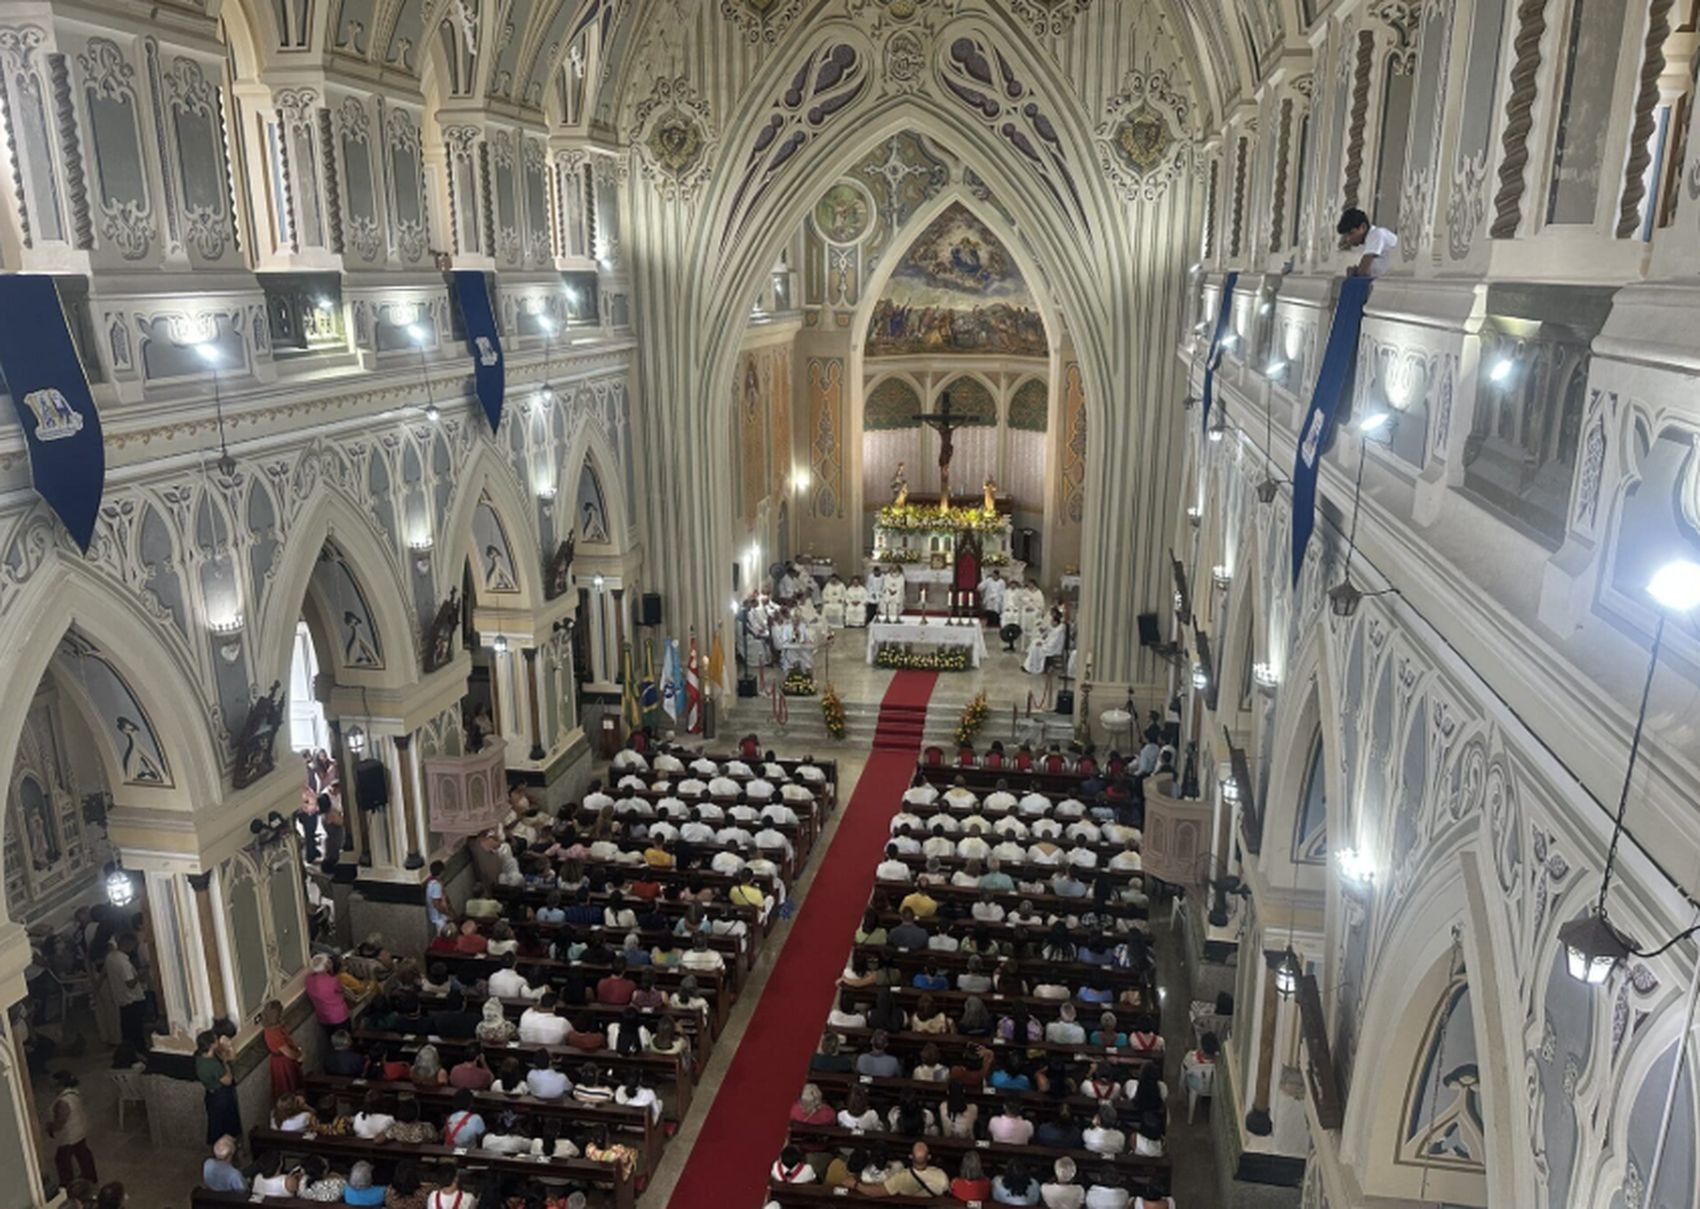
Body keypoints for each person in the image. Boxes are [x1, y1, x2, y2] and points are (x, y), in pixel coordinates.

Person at [46, 1070, 96, 1186]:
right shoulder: (74, 1093)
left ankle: (67, 1183)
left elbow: (60, 1122)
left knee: (62, 1159)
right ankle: (90, 1176)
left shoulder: (62, 1102)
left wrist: (50, 1127)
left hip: (69, 1135)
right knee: (82, 1153)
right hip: (80, 1129)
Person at [195, 1029, 241, 1146]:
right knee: (227, 1123)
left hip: (211, 1095)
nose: (218, 1040)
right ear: (211, 1045)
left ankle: (219, 1147)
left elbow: (227, 1056)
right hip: (221, 1096)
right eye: (215, 1040)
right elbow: (228, 1080)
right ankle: (228, 1147)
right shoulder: (212, 1065)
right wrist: (226, 1065)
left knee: (216, 1122)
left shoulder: (200, 1057)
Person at [858, 1141, 951, 1196]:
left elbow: (878, 1191)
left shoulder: (900, 1178)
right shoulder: (941, 1175)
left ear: (910, 1156)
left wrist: (856, 1185)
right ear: (929, 1157)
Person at [107, 934, 147, 1052]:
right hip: (132, 1000)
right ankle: (140, 1052)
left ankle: (129, 1053)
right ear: (129, 944)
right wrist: (140, 974)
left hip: (122, 1000)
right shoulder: (123, 962)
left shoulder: (110, 957)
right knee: (136, 1033)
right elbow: (130, 983)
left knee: (127, 1033)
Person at [1338, 206, 1397, 278]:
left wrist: (1355, 272)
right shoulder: (1368, 240)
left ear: (1363, 227)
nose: (1348, 239)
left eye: (1351, 233)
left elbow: (1363, 272)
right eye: (1346, 235)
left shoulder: (1376, 234)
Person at [260, 998, 304, 1097]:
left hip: (282, 1060)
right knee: (288, 1087)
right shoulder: (274, 1034)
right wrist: (299, 1055)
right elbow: (288, 1053)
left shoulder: (271, 1028)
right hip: (283, 1063)